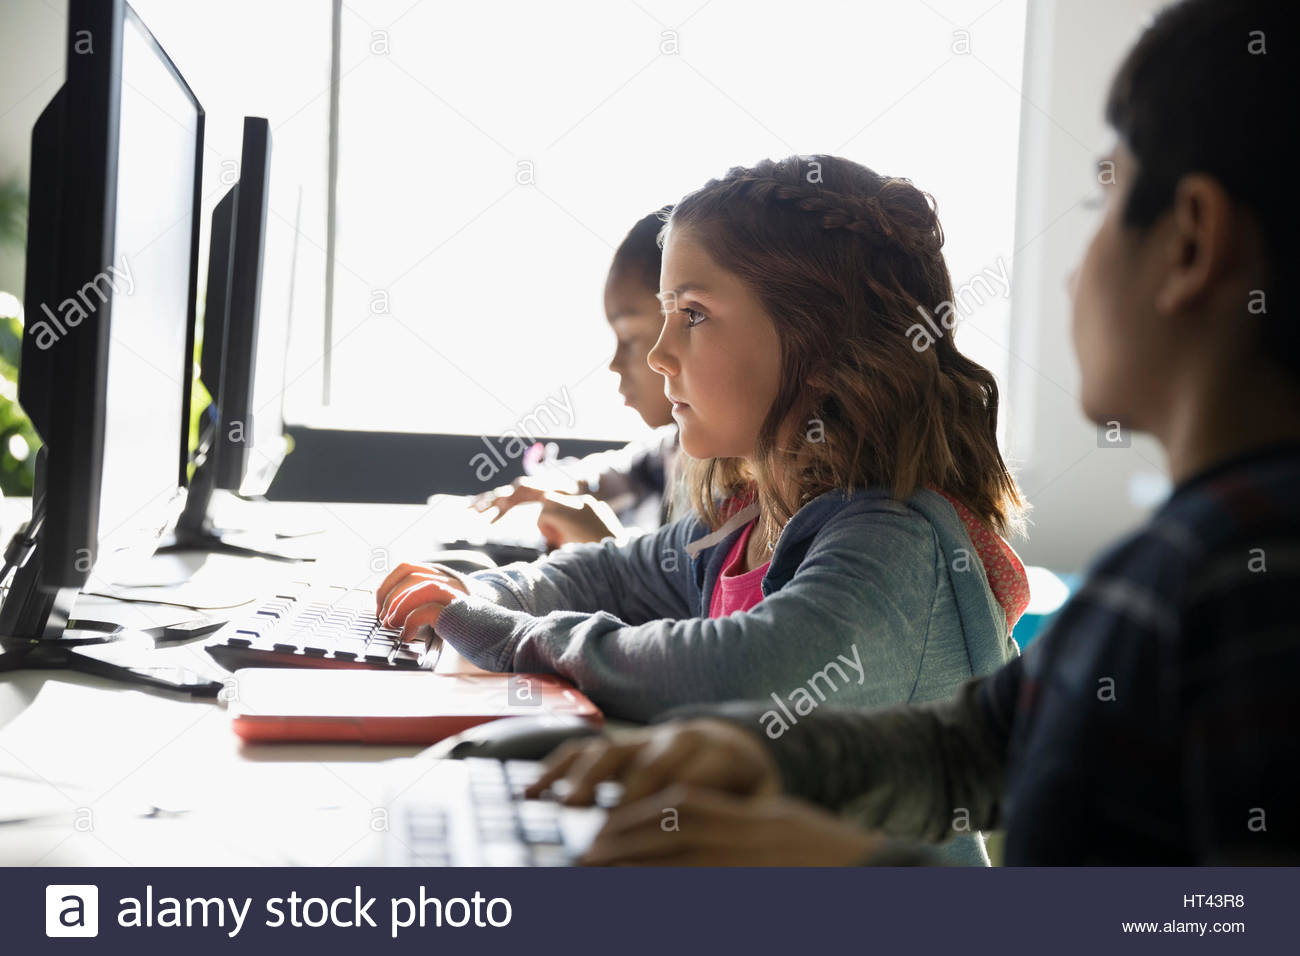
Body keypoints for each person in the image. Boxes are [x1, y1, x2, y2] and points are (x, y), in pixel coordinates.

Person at [528, 0, 1300, 866]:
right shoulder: (1176, 565)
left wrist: (854, 869)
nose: (1077, 269)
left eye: (1103, 201)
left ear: (1191, 244)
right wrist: (759, 752)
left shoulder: (1254, 592)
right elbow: (969, 750)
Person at [378, 155, 1031, 864]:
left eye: (693, 314)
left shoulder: (894, 541)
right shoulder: (745, 524)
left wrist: (507, 635)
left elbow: (746, 675)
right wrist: (473, 594)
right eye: (665, 317)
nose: (659, 354)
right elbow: (605, 574)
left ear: (817, 340)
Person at [474, 207, 687, 547]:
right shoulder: (675, 448)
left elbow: (691, 597)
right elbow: (624, 472)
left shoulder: (727, 480)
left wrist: (602, 542)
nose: (614, 364)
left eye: (630, 339)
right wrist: (567, 486)